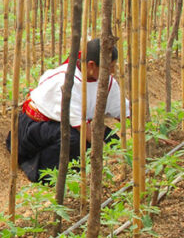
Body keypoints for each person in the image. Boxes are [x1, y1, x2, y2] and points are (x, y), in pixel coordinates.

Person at [7, 37, 126, 183]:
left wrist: (147, 133)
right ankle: (44, 173)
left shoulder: (107, 82)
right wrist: (108, 154)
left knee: (110, 137)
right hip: (35, 128)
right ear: (91, 65)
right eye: (109, 67)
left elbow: (124, 110)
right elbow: (82, 128)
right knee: (74, 141)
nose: (113, 71)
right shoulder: (66, 81)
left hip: (68, 125)